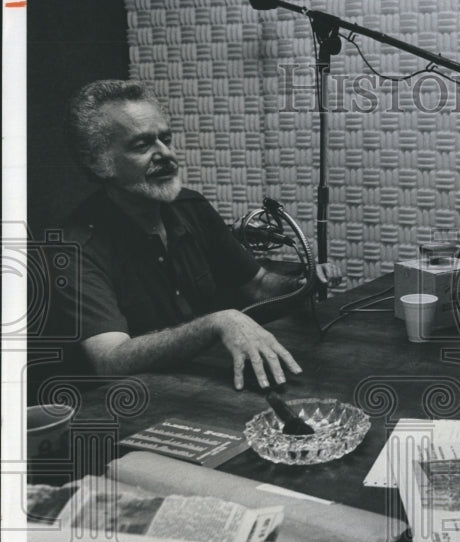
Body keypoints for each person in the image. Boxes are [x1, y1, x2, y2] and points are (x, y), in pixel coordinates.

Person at [55, 79, 302, 390]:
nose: (166, 154)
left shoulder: (192, 207)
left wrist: (301, 286)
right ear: (98, 162)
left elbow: (257, 285)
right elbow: (110, 360)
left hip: (204, 384)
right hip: (127, 403)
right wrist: (216, 322)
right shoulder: (76, 248)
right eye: (142, 145)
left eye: (166, 139)